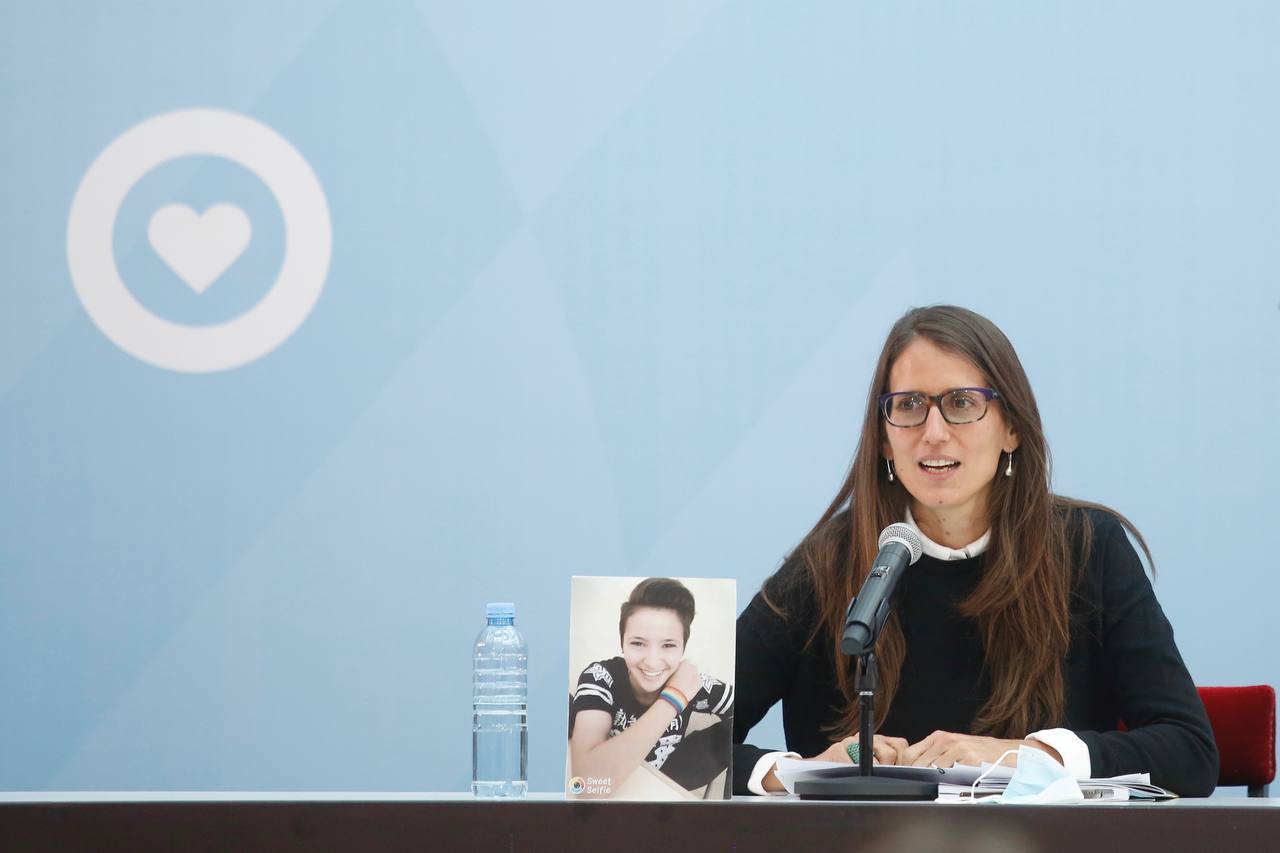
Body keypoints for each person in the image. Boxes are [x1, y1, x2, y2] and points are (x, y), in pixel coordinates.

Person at [733, 305, 1218, 796]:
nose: (934, 432)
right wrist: (800, 771)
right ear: (884, 439)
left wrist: (1029, 756)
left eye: (961, 403)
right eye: (909, 405)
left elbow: (1189, 752)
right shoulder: (825, 564)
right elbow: (688, 738)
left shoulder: (1089, 549)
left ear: (1012, 428)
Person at [569, 578, 734, 797]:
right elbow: (586, 787)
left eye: (668, 645)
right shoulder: (601, 677)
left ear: (683, 648)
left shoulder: (693, 683)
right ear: (622, 643)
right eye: (638, 643)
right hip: (612, 791)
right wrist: (674, 698)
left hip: (661, 788)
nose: (652, 661)